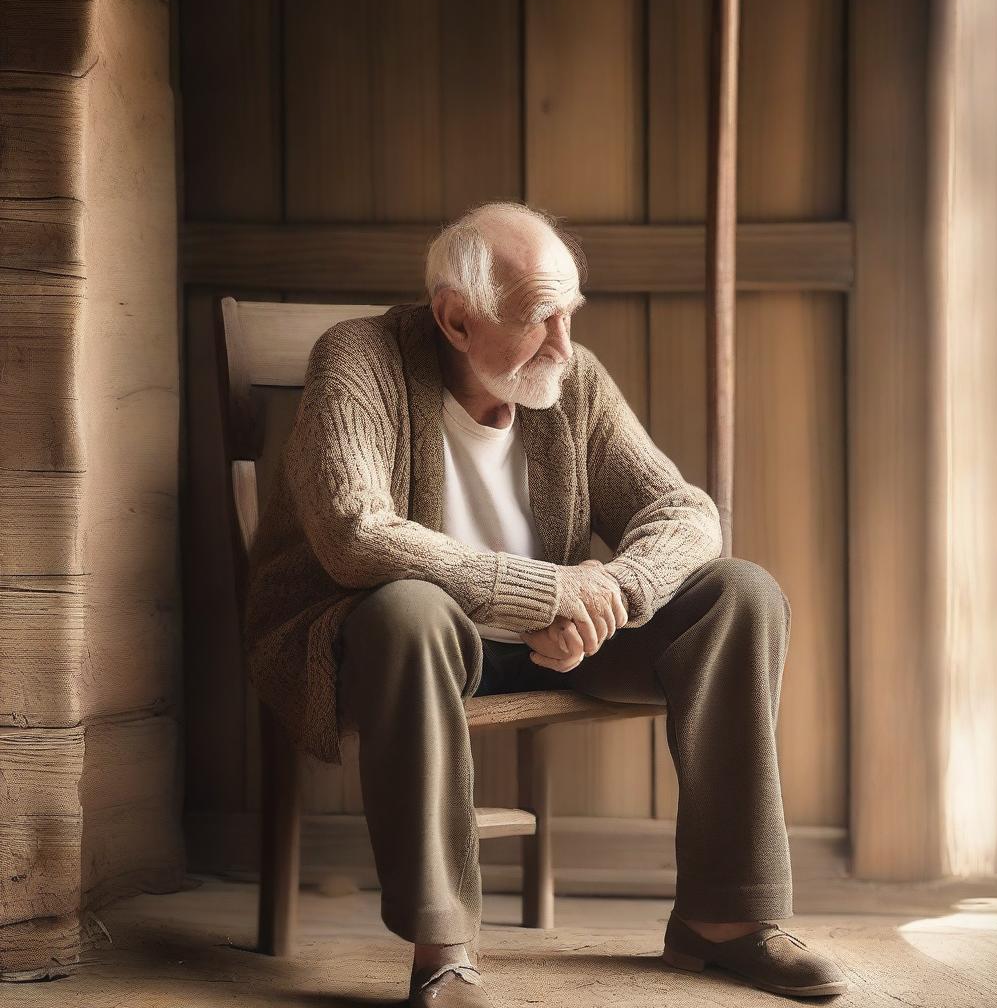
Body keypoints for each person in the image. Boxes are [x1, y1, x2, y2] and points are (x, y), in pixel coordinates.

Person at [244, 200, 848, 1005]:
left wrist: (614, 596)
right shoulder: (360, 358)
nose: (564, 345)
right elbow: (357, 535)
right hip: (388, 645)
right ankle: (444, 951)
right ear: (456, 318)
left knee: (742, 594)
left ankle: (725, 922)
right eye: (539, 319)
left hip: (553, 643)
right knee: (410, 609)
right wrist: (548, 592)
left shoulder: (574, 381)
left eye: (570, 314)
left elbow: (685, 510)